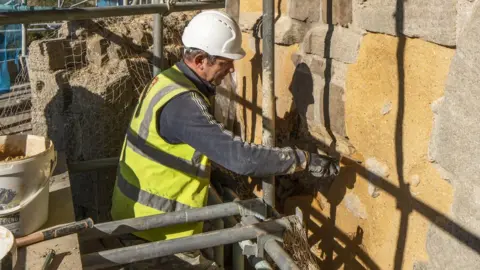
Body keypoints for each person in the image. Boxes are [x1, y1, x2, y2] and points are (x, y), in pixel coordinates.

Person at [111, 10, 339, 246]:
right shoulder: (184, 104)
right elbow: (240, 158)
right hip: (156, 233)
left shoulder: (169, 79)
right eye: (225, 61)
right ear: (200, 61)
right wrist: (303, 159)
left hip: (140, 218)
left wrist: (214, 171)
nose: (231, 69)